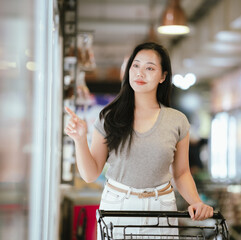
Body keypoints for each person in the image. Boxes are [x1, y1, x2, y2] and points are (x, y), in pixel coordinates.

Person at [64, 42, 213, 238]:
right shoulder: (109, 117)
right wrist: (80, 139)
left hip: (162, 207)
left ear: (163, 76)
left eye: (149, 67)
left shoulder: (177, 121)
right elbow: (91, 174)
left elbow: (182, 172)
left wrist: (196, 202)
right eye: (135, 65)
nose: (140, 73)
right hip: (117, 206)